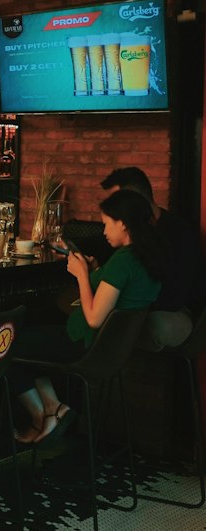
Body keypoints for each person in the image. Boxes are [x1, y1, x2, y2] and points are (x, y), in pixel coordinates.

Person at [11, 188, 165, 444]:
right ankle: (55, 410)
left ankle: (42, 416)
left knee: (8, 345)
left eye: (107, 224)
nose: (104, 232)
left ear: (123, 224)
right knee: (34, 330)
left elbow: (94, 317)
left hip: (84, 344)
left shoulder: (123, 261)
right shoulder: (148, 258)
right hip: (112, 350)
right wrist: (94, 270)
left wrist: (82, 275)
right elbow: (118, 293)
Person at [100, 164, 206, 347]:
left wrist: (128, 305)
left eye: (118, 200)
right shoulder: (128, 235)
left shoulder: (178, 232)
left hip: (179, 312)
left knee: (123, 324)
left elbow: (176, 296)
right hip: (142, 307)